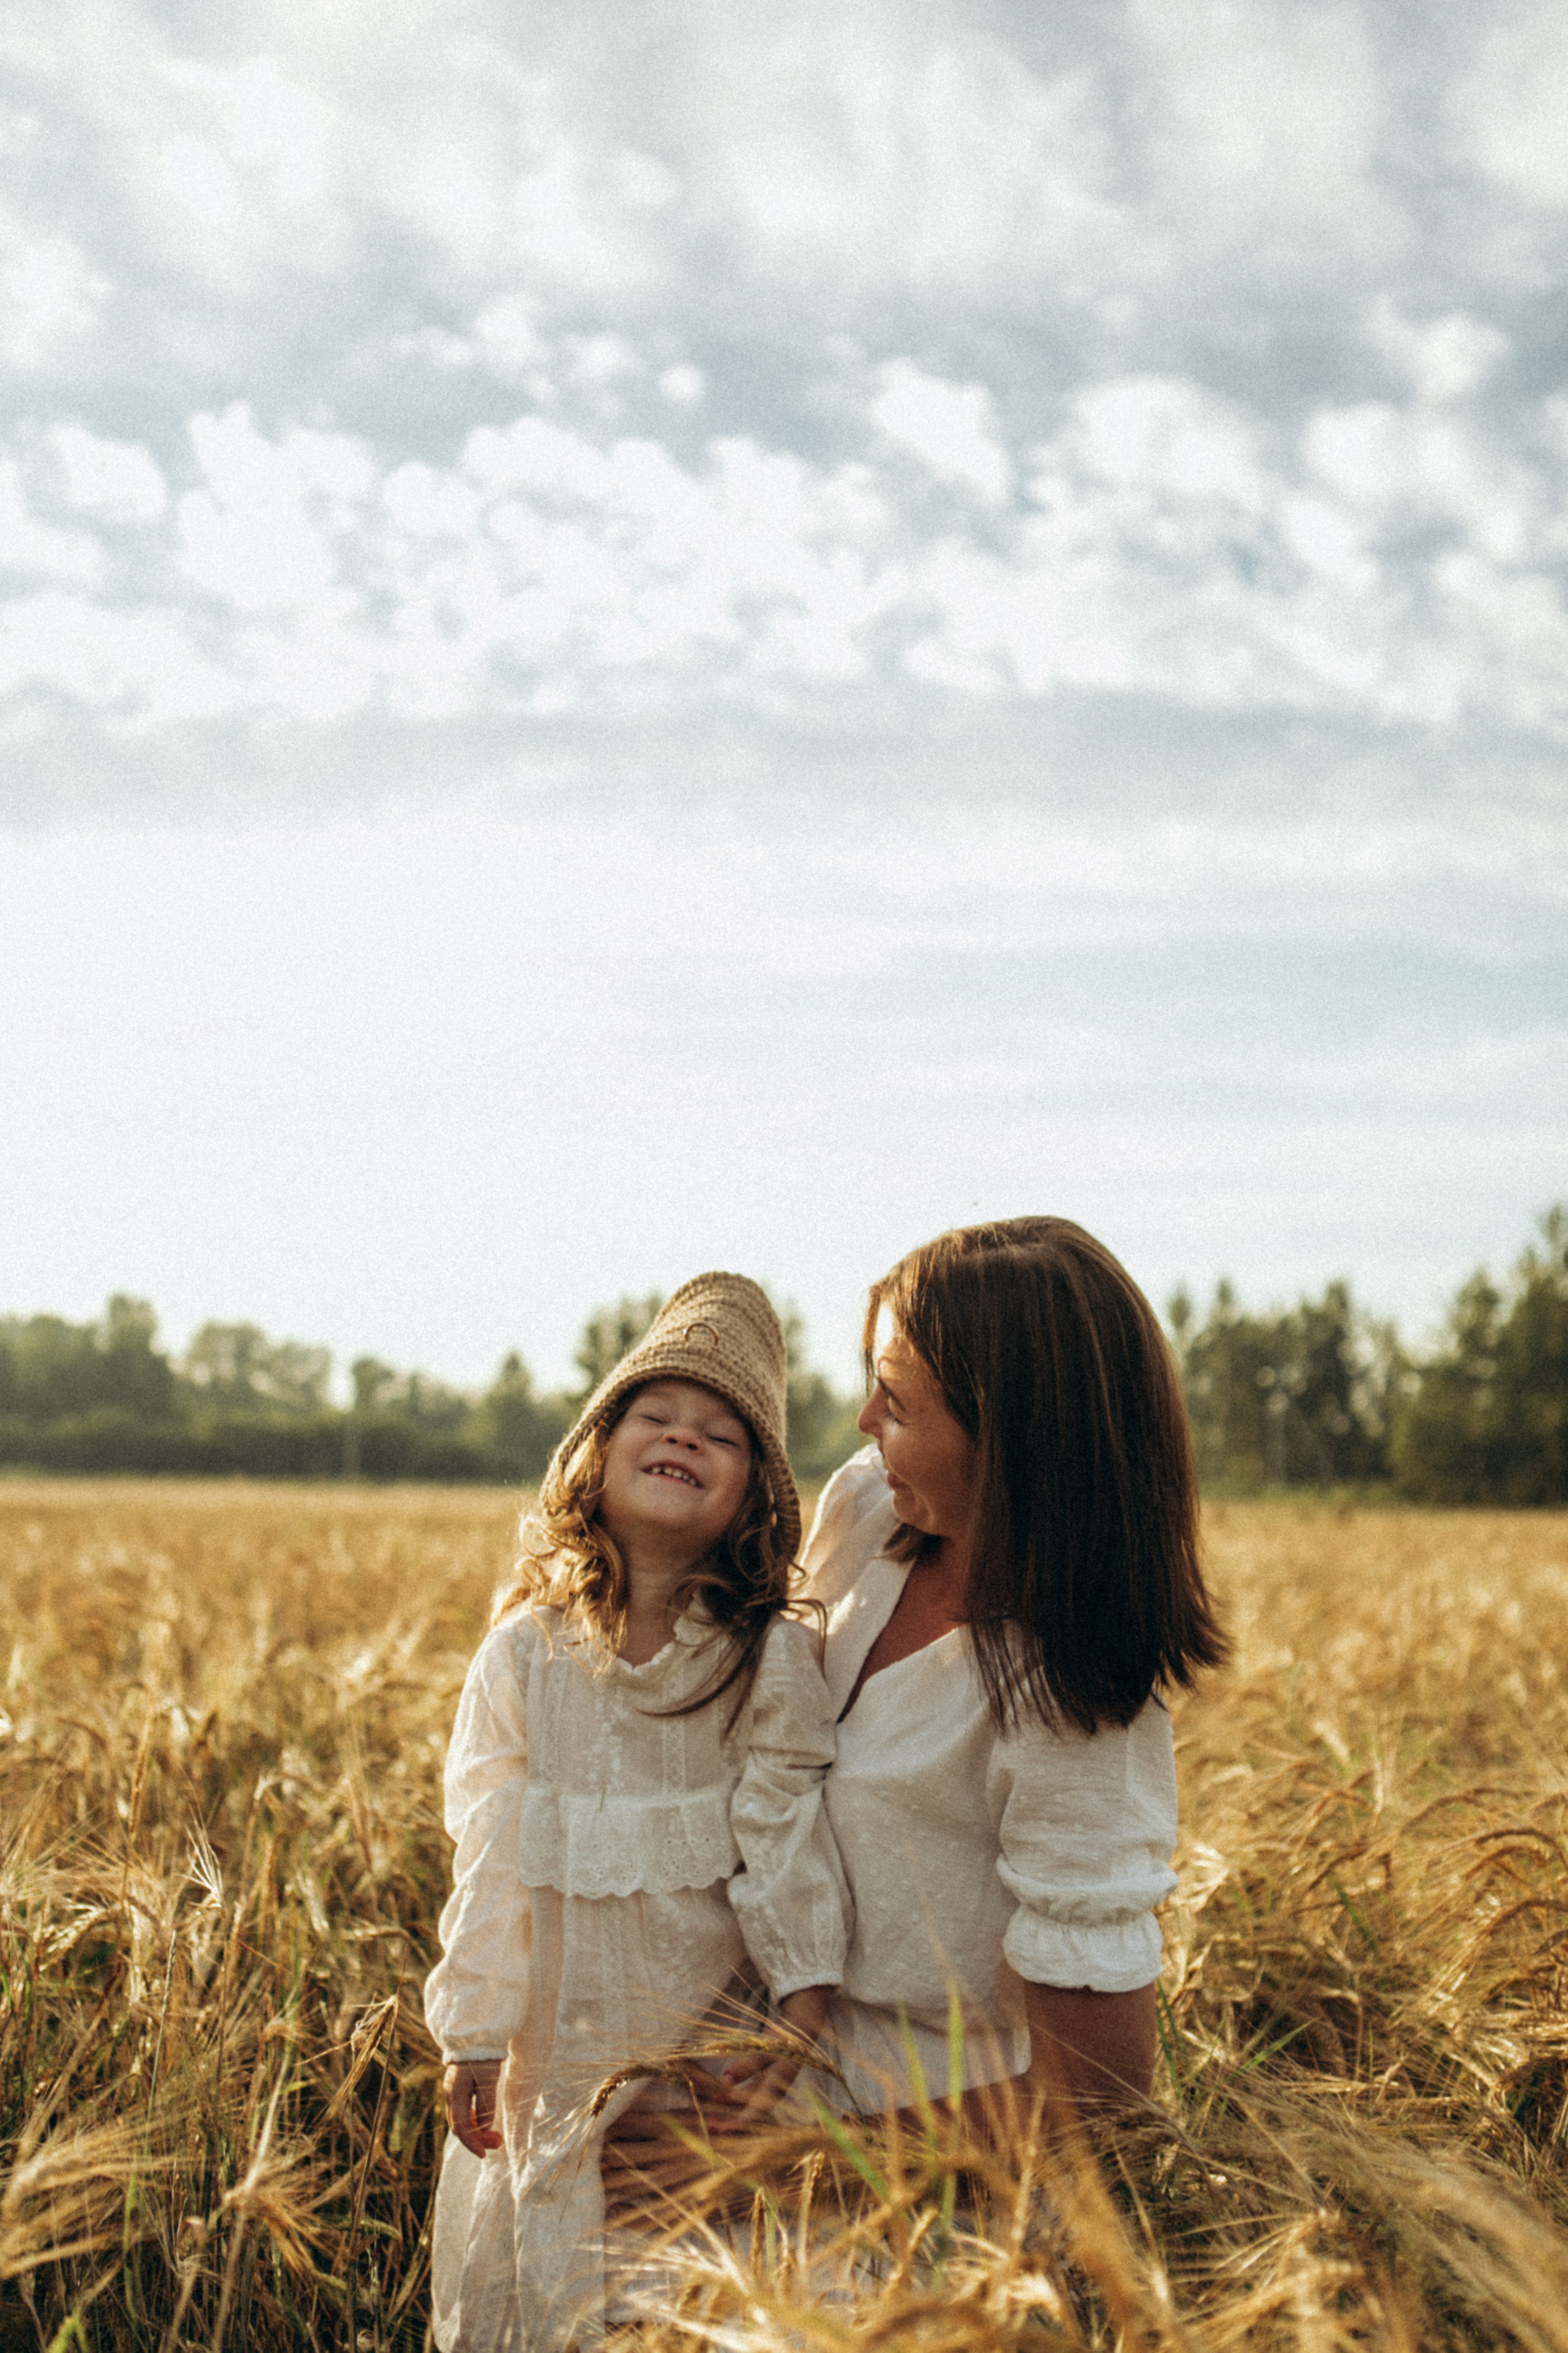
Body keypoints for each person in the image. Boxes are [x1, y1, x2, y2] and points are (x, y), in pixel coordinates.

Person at [425, 1275, 848, 2353]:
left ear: (754, 1498)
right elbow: (488, 1849)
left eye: (721, 1435)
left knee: (680, 2300)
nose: (683, 1438)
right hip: (549, 2059)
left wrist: (801, 2001)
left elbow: (787, 1831)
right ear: (595, 1455)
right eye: (655, 1417)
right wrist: (471, 2029)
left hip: (698, 2057)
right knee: (549, 2300)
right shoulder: (524, 1653)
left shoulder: (767, 1658)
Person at [796, 1215, 1228, 2123]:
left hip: (925, 2185)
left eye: (898, 1405)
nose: (863, 1422)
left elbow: (1098, 2099)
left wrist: (772, 2166)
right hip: (763, 2078)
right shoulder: (869, 1512)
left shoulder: (1075, 1712)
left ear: (1012, 1446)